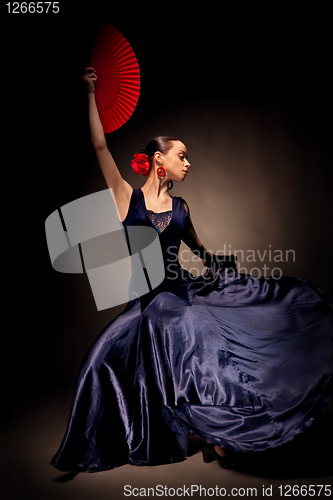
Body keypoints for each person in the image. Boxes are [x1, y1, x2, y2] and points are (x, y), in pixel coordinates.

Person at [50, 67, 333, 472]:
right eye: (181, 155)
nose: (188, 162)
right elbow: (99, 145)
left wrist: (241, 280)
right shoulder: (125, 198)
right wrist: (91, 92)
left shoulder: (182, 208)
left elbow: (201, 254)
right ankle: (99, 445)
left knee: (204, 339)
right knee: (98, 360)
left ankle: (223, 431)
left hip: (180, 297)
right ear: (157, 160)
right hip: (144, 303)